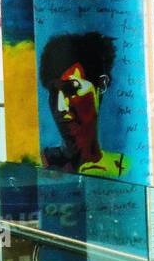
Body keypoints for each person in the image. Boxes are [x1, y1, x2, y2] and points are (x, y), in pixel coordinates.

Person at [38, 31, 127, 177]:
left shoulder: (125, 168)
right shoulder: (41, 162)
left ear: (101, 85)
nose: (60, 107)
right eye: (54, 93)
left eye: (71, 89)